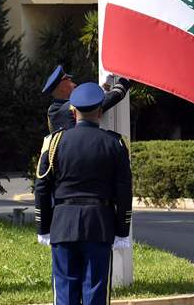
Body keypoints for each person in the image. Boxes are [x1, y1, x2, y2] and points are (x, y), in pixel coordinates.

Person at [34, 82, 133, 305]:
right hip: (100, 224)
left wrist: (43, 227)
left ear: (72, 111)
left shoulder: (54, 142)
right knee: (95, 291)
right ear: (100, 111)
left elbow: (42, 188)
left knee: (65, 293)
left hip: (62, 224)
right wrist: (121, 230)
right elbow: (124, 191)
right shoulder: (115, 143)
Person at [41, 64, 132, 132]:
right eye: (70, 81)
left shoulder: (56, 109)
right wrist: (125, 80)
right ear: (62, 88)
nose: (75, 84)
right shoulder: (61, 110)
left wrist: (106, 85)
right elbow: (103, 101)